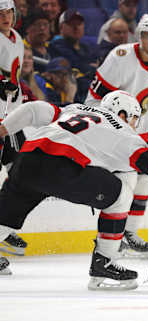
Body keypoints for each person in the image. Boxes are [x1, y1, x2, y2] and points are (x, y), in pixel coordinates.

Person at [0, 90, 148, 287]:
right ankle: (104, 262)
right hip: (61, 166)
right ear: (122, 114)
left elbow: (33, 109)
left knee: (7, 215)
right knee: (121, 194)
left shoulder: (75, 108)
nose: (134, 125)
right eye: (134, 118)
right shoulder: (124, 133)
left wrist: (3, 128)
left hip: (27, 158)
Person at [85, 14, 148, 259]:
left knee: (145, 182)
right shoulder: (120, 57)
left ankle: (128, 235)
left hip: (142, 135)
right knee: (121, 189)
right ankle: (109, 239)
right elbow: (93, 98)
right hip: (113, 135)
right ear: (139, 37)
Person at [0, 0, 29, 257]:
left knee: (20, 171)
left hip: (11, 119)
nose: (5, 17)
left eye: (8, 12)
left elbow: (13, 77)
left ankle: (4, 228)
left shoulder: (16, 38)